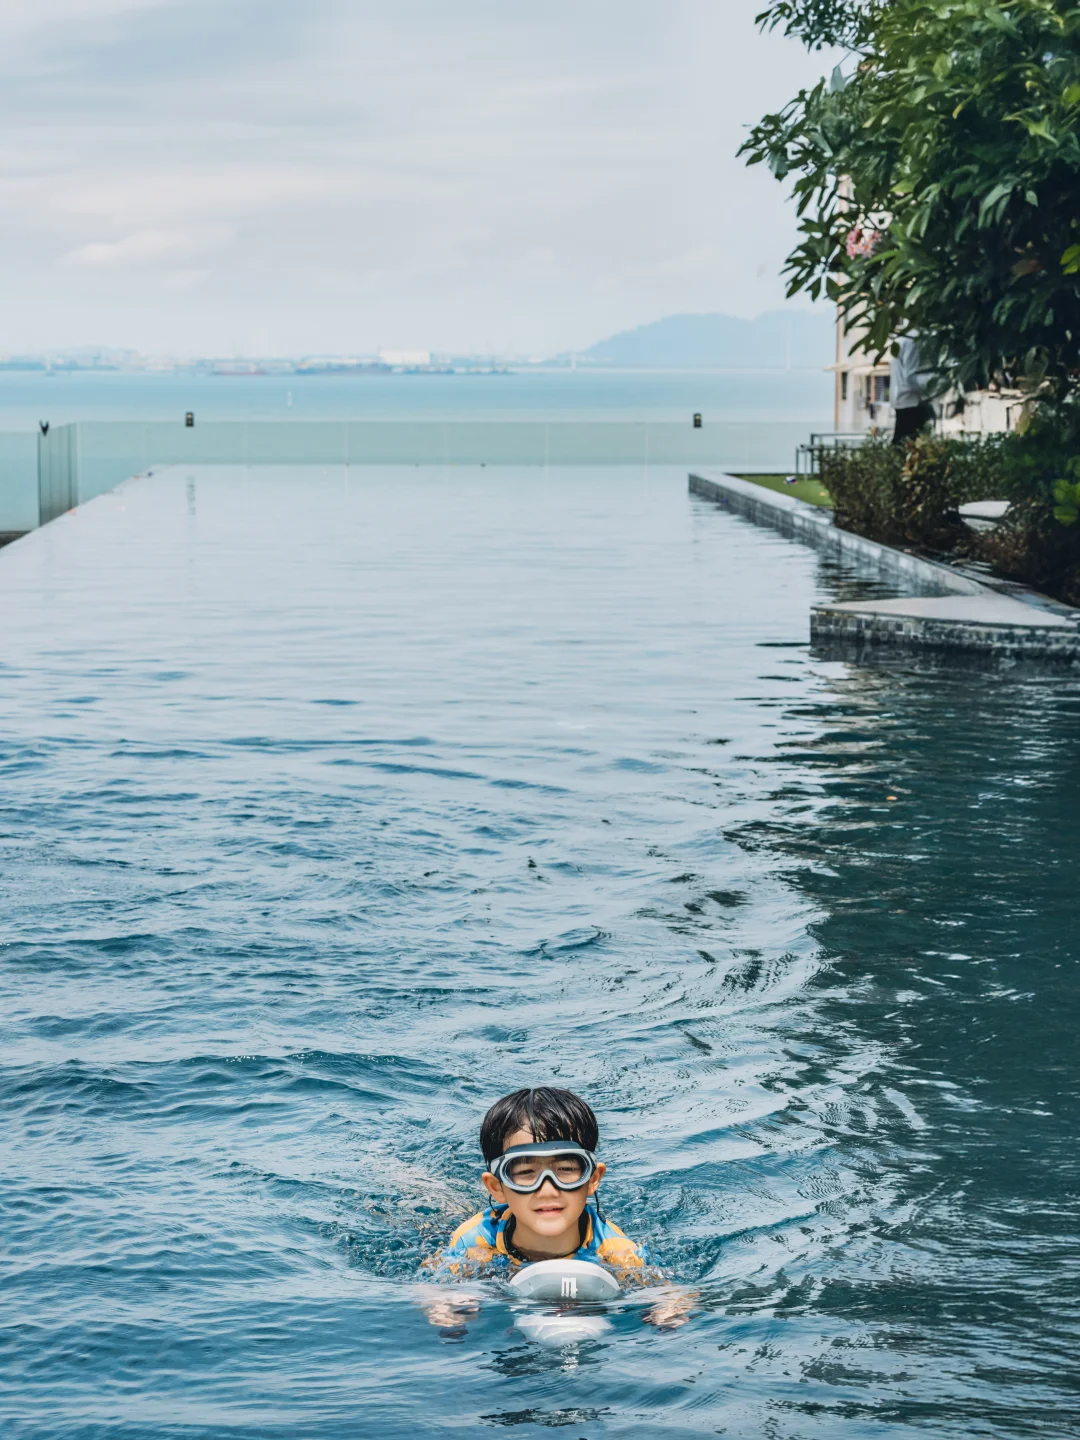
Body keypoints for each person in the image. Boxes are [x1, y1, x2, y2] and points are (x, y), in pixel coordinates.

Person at [421, 1085, 692, 1330]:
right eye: (525, 1171)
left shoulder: (617, 1251)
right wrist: (441, 1303)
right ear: (496, 1187)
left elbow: (674, 1292)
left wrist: (669, 1308)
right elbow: (430, 1285)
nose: (548, 1189)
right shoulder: (475, 1242)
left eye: (566, 1169)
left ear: (592, 1179)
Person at [890, 335, 936, 445]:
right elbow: (911, 376)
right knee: (915, 446)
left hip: (903, 400)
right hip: (912, 401)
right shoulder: (913, 340)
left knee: (903, 445)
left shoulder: (902, 340)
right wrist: (930, 390)